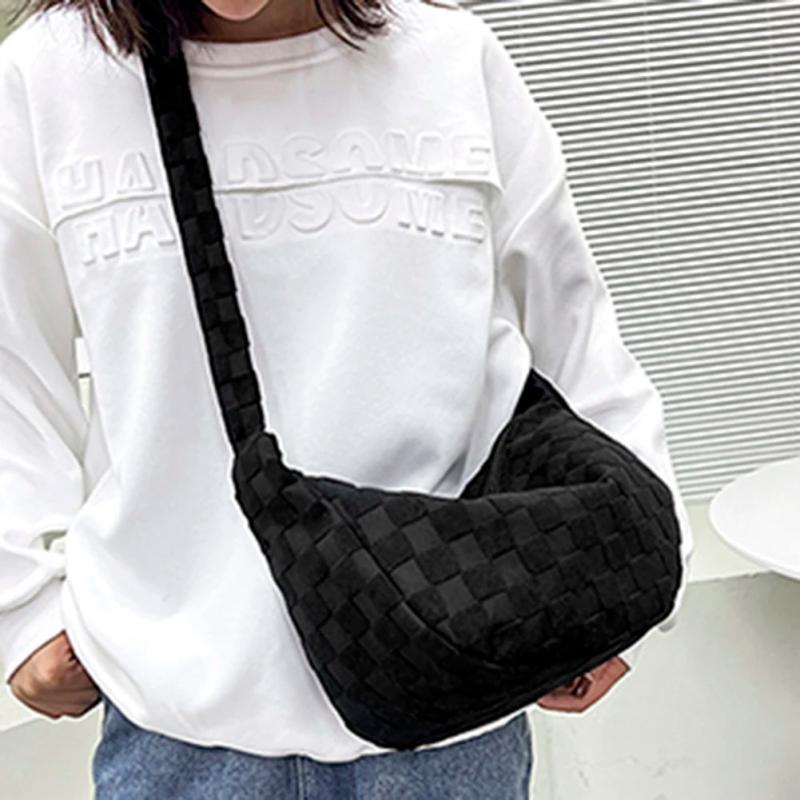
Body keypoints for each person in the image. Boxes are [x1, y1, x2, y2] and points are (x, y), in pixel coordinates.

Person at [0, 0, 694, 796]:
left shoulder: (449, 59)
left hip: (449, 716)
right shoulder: (52, 77)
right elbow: (12, 368)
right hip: (177, 731)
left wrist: (631, 586)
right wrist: (24, 613)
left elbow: (576, 339)